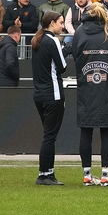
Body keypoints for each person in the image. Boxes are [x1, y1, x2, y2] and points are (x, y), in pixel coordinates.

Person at [73, 3, 108, 187]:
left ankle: (87, 175)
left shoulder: (80, 30)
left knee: (85, 130)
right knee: (107, 131)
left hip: (86, 88)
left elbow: (75, 53)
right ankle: (105, 176)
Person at [32, 11, 68, 185]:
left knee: (48, 135)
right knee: (50, 136)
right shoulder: (52, 40)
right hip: (53, 94)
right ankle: (45, 174)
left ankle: (46, 172)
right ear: (52, 23)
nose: (62, 26)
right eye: (61, 23)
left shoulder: (37, 40)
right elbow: (62, 67)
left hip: (39, 94)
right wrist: (66, 50)